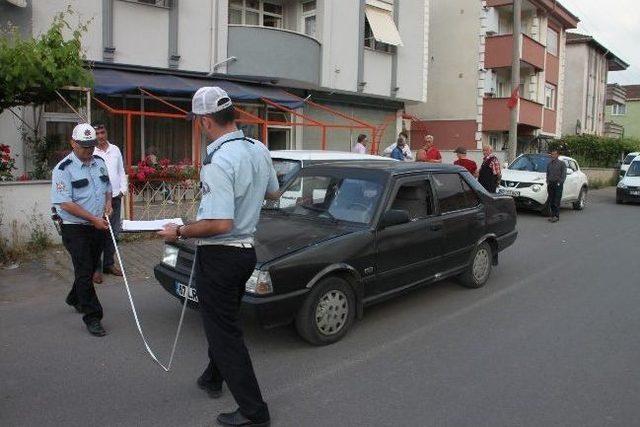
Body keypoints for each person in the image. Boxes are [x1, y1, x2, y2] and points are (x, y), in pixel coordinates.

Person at [158, 87, 279, 427]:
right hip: (244, 253)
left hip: (222, 257)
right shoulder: (257, 148)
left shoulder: (217, 160)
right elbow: (273, 191)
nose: (197, 125)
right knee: (224, 321)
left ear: (206, 121)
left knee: (224, 333)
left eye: (197, 121)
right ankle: (214, 376)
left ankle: (255, 412)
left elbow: (219, 223)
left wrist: (179, 231)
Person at [51, 123, 112, 337]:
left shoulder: (100, 162)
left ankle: (74, 297)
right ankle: (93, 316)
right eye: (84, 146)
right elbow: (65, 203)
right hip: (75, 228)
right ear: (73, 143)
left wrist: (108, 205)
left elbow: (107, 188)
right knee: (86, 270)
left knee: (89, 266)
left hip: (97, 226)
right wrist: (93, 218)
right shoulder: (63, 169)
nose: (88, 150)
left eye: (91, 146)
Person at [93, 123, 126, 283]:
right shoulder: (91, 151)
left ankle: (109, 264)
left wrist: (122, 190)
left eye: (102, 132)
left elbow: (121, 171)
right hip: (98, 199)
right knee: (98, 233)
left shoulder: (115, 150)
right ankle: (96, 269)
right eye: (97, 133)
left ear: (106, 133)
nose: (100, 136)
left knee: (113, 232)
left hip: (115, 197)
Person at [546, 148, 567, 223]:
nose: (553, 155)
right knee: (551, 200)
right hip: (550, 184)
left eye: (554, 154)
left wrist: (560, 182)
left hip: (558, 184)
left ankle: (556, 216)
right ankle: (552, 215)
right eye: (552, 154)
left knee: (556, 200)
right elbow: (547, 173)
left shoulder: (562, 164)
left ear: (558, 155)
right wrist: (547, 181)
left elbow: (564, 174)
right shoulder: (549, 164)